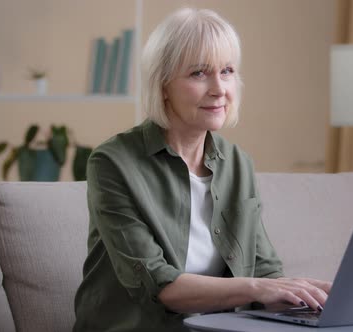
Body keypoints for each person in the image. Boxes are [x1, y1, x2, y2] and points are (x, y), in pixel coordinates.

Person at [73, 7, 331, 332]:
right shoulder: (112, 163)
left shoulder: (238, 163)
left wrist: (309, 295)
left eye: (227, 71)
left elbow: (264, 272)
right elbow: (159, 284)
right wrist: (256, 288)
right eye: (198, 73)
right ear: (163, 84)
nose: (219, 88)